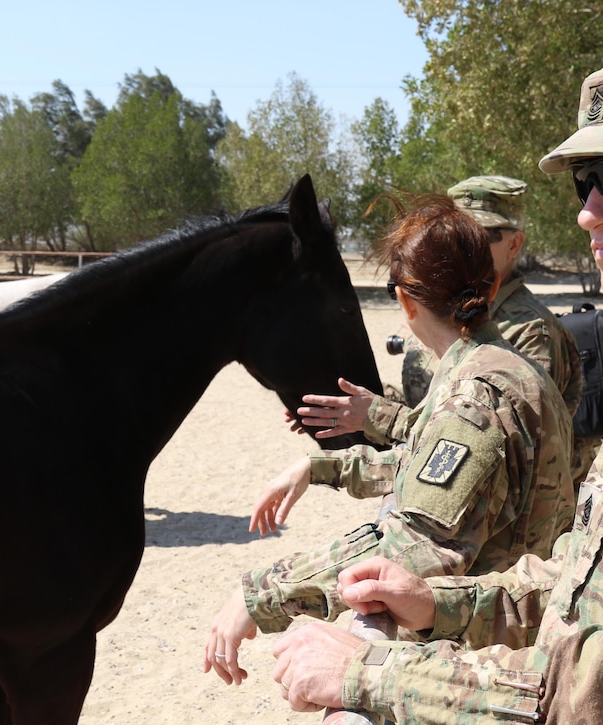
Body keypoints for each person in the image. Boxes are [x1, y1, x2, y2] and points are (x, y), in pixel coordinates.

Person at [269, 45, 603, 722]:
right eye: (585, 181)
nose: (589, 212)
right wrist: (440, 602)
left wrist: (374, 672)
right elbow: (587, 582)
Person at [203, 194, 575, 686]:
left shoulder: (475, 398)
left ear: (404, 301)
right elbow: (431, 465)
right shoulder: (497, 366)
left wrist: (261, 595)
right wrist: (320, 469)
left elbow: (411, 546)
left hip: (490, 666)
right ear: (493, 281)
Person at [297, 176, 593, 482]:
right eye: (457, 230)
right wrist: (348, 404)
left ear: (515, 244)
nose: (462, 243)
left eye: (481, 234)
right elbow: (430, 400)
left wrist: (377, 416)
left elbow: (492, 441)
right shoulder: (440, 310)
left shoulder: (533, 331)